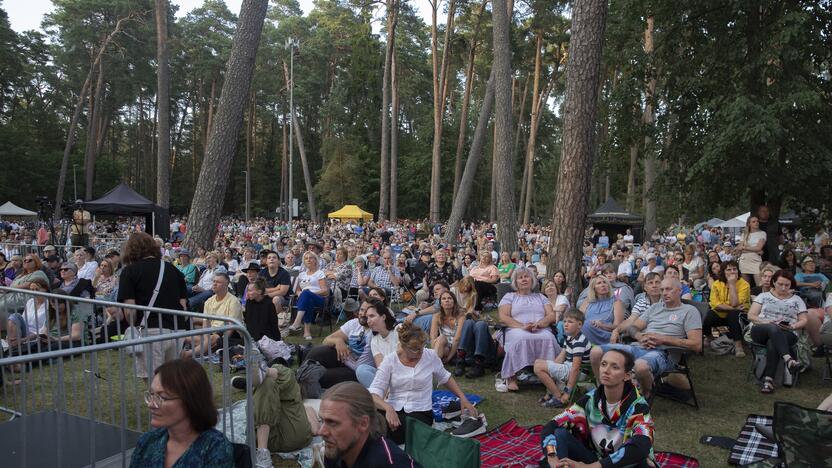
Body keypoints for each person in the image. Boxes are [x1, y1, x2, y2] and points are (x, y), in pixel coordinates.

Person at [540, 349, 654, 468]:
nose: (606, 370)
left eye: (614, 367)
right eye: (603, 364)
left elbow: (642, 446)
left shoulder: (638, 406)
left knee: (641, 459)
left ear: (627, 376)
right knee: (560, 433)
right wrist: (552, 455)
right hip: (596, 459)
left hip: (619, 465)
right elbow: (552, 425)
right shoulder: (590, 399)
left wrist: (591, 466)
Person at [589, 278, 703, 398]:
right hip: (639, 346)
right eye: (662, 289)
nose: (664, 293)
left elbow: (696, 344)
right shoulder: (655, 308)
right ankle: (604, 389)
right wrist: (639, 336)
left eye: (669, 289)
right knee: (596, 352)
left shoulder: (689, 311)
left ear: (679, 291)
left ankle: (646, 394)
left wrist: (663, 339)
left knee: (640, 366)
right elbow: (633, 327)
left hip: (664, 353)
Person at [368, 322, 477, 444]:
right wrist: (388, 408)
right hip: (394, 405)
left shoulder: (430, 356)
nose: (420, 352)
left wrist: (463, 398)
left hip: (419, 410)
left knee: (407, 427)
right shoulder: (390, 360)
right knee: (373, 422)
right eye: (415, 350)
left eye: (422, 347)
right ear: (403, 347)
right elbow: (373, 393)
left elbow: (446, 377)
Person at [130, 359, 234, 467]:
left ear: (191, 401)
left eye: (162, 397)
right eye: (151, 395)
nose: (151, 404)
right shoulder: (148, 441)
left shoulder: (215, 448)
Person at [117, 232, 189, 381]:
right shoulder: (172, 269)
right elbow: (183, 305)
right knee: (172, 379)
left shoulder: (130, 271)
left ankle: (161, 404)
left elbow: (130, 310)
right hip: (176, 329)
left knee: (154, 380)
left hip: (151, 330)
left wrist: (133, 328)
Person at [318, 382, 420, 468]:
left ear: (363, 423)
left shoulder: (388, 463)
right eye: (322, 421)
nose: (321, 431)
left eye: (333, 423)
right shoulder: (336, 450)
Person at [498, 266, 559, 391]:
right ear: (515, 282)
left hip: (540, 328)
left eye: (526, 277)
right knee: (520, 338)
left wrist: (540, 324)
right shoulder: (510, 296)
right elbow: (503, 317)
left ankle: (551, 375)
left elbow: (552, 315)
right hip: (516, 329)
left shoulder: (541, 297)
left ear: (532, 280)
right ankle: (511, 377)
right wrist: (522, 326)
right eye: (520, 278)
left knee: (549, 338)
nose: (524, 279)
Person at [747, 270, 809, 394]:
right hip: (761, 329)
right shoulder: (763, 296)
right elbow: (751, 315)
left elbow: (804, 320)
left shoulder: (797, 299)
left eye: (787, 285)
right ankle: (789, 360)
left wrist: (793, 326)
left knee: (772, 342)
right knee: (773, 328)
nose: (783, 287)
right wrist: (767, 322)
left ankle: (768, 380)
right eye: (780, 284)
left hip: (787, 331)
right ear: (774, 282)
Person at [247, 363, 316, 468]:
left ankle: (267, 371)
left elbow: (316, 430)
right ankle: (267, 371)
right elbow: (316, 430)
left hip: (274, 438)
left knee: (272, 380)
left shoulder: (306, 408)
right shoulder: (304, 407)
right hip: (284, 437)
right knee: (271, 381)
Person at [304, 299, 374, 389]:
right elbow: (326, 340)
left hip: (358, 371)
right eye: (362, 310)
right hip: (345, 358)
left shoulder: (375, 331)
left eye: (367, 312)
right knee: (317, 352)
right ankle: (303, 373)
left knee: (322, 376)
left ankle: (303, 377)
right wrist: (338, 341)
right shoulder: (354, 324)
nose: (363, 314)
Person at [533, 308, 592, 408]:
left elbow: (575, 368)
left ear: (579, 325)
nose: (566, 324)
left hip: (578, 372)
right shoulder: (569, 337)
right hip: (568, 367)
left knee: (538, 367)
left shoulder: (579, 342)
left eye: (570, 322)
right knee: (538, 363)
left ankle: (559, 397)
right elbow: (561, 356)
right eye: (565, 321)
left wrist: (567, 392)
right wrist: (551, 367)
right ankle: (551, 393)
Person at [182, 272, 243, 358]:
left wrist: (221, 342)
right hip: (212, 332)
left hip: (230, 335)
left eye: (218, 282)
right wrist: (206, 338)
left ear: (226, 284)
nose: (214, 284)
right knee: (186, 336)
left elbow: (231, 327)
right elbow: (205, 323)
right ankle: (203, 347)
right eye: (213, 281)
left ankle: (187, 354)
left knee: (213, 339)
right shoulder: (209, 301)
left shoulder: (233, 301)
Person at [704, 260, 750, 357]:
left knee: (734, 314)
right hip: (721, 313)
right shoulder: (716, 284)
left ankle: (738, 345)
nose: (732, 272)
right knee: (708, 315)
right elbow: (715, 304)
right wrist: (733, 308)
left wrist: (732, 284)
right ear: (723, 272)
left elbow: (735, 303)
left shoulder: (744, 284)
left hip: (740, 316)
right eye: (729, 270)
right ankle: (710, 338)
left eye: (734, 269)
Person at [355, 297, 398, 388]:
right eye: (367, 318)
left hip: (406, 375)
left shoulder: (398, 330)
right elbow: (381, 369)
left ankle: (382, 395)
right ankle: (384, 394)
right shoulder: (375, 341)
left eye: (372, 316)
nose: (368, 321)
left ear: (383, 317)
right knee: (361, 370)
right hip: (389, 379)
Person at [287, 251, 330, 340]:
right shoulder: (301, 275)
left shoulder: (320, 273)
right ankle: (307, 332)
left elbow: (325, 291)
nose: (308, 260)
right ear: (304, 262)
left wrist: (310, 294)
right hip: (305, 300)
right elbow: (298, 290)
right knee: (307, 301)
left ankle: (297, 322)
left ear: (315, 260)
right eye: (306, 259)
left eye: (311, 258)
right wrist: (300, 294)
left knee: (306, 293)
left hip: (319, 299)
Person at [578, 276, 625, 345]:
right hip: (586, 330)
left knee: (585, 324)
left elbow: (618, 326)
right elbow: (578, 319)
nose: (603, 285)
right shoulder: (587, 302)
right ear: (594, 288)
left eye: (605, 282)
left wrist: (602, 325)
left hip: (604, 334)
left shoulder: (616, 302)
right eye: (599, 283)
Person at [430, 291, 466, 364]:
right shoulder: (437, 316)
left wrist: (448, 358)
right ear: (441, 303)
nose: (447, 300)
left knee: (441, 339)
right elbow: (433, 337)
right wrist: (435, 348)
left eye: (449, 298)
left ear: (454, 302)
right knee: (441, 338)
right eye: (444, 299)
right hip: (444, 346)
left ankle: (434, 364)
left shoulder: (461, 316)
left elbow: (457, 339)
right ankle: (436, 363)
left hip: (458, 348)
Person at [258, 251, 292, 315]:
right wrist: (276, 288)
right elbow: (259, 290)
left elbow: (283, 292)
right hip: (266, 296)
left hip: (285, 298)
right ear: (266, 261)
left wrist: (266, 295)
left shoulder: (284, 273)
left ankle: (278, 320)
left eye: (274, 257)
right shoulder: (262, 273)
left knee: (276, 299)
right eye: (269, 258)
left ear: (279, 261)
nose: (271, 259)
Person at [737, 216, 766, 286]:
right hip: (744, 260)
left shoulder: (762, 233)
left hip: (756, 261)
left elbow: (759, 248)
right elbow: (739, 249)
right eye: (754, 221)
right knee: (745, 287)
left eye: (757, 221)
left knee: (760, 285)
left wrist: (744, 247)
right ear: (749, 224)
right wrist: (755, 250)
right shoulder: (744, 234)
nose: (756, 223)